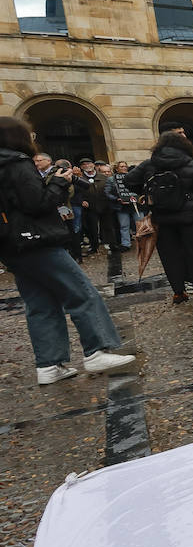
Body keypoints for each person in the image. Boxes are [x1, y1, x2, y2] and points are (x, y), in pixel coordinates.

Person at [0, 116, 136, 384]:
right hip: (37, 240)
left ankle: (49, 365)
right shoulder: (17, 164)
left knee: (40, 304)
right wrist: (59, 183)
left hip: (11, 245)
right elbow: (37, 203)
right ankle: (96, 350)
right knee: (81, 293)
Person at [126, 131, 193, 304]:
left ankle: (179, 292)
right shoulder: (191, 164)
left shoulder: (150, 164)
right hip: (190, 215)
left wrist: (147, 192)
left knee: (170, 255)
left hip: (162, 216)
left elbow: (129, 180)